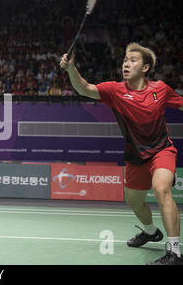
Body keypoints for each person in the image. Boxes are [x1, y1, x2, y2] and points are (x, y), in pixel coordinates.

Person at [60, 43, 183, 265]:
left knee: (161, 189)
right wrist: (71, 69)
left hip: (161, 150)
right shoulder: (115, 90)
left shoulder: (160, 90)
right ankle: (151, 232)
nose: (126, 63)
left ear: (145, 67)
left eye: (133, 60)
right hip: (135, 155)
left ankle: (174, 252)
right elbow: (84, 88)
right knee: (135, 203)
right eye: (125, 60)